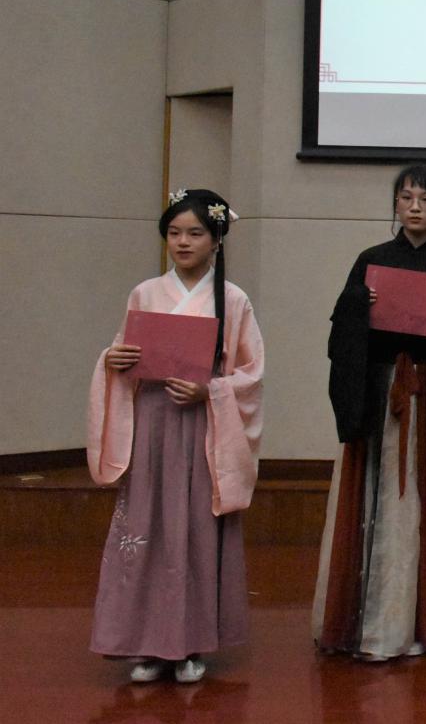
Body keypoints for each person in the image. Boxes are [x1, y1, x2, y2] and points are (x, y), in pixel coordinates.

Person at [312, 164, 426, 661]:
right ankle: (370, 622)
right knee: (374, 501)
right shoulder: (372, 259)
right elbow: (340, 334)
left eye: (425, 199)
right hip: (379, 395)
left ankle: (424, 621)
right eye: (406, 198)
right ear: (395, 205)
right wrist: (358, 303)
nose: (414, 207)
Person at [87, 188, 264, 683]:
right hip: (152, 420)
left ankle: (188, 644)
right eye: (174, 233)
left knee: (194, 528)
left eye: (195, 233)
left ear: (216, 240)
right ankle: (145, 643)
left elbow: (252, 373)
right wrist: (113, 359)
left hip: (204, 426)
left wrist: (211, 391)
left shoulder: (234, 299)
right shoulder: (145, 292)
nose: (183, 242)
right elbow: (124, 351)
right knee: (146, 523)